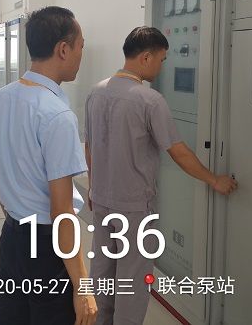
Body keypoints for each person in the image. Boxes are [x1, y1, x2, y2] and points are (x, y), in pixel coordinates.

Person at [84, 26, 237, 325]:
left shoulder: (96, 92)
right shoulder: (149, 100)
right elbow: (178, 152)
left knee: (102, 273)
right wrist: (214, 179)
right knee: (133, 282)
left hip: (101, 202)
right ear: (146, 57)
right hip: (134, 209)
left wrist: (92, 189)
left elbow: (90, 147)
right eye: (162, 59)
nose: (162, 66)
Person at [0, 6, 97, 325]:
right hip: (47, 248)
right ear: (63, 50)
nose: (81, 55)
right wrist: (82, 288)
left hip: (12, 236)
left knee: (11, 317)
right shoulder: (57, 116)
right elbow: (61, 211)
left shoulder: (3, 97)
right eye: (80, 47)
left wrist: (17, 218)